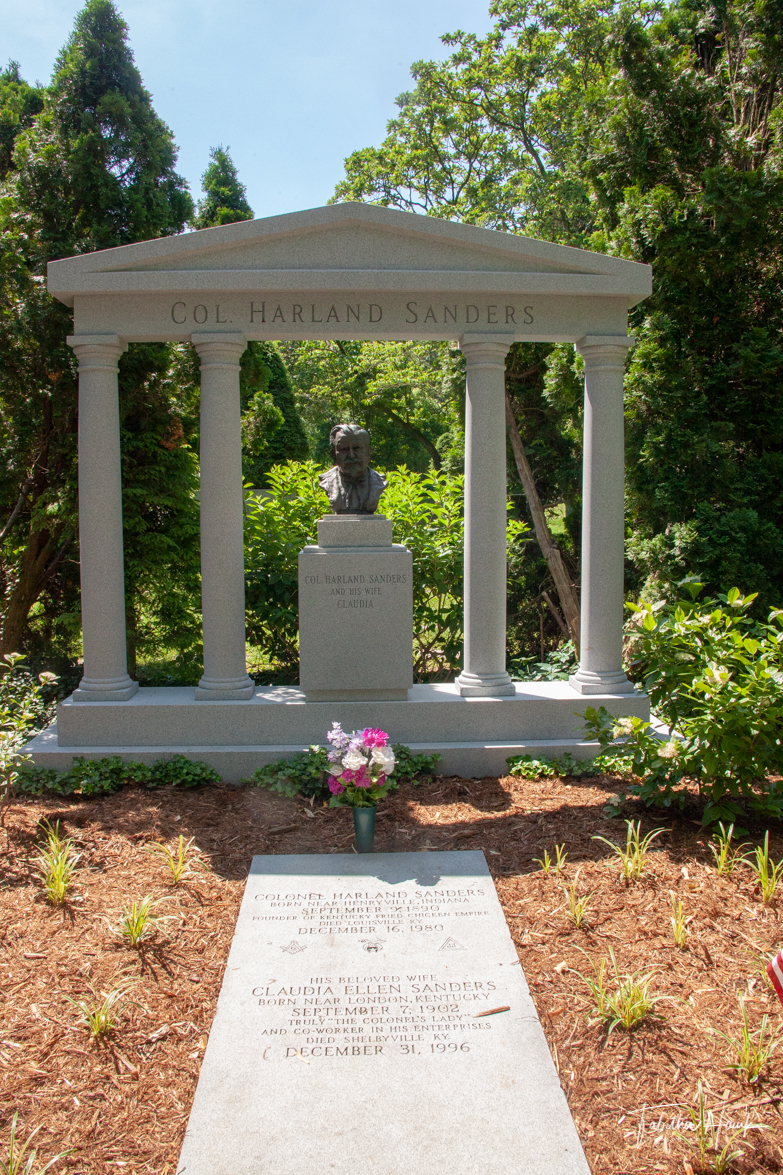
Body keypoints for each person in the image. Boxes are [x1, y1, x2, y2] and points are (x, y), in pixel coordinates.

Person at [318, 424, 388, 514]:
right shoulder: (326, 481)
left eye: (357, 448)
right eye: (344, 449)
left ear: (368, 452)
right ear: (334, 455)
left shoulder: (379, 482)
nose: (351, 455)